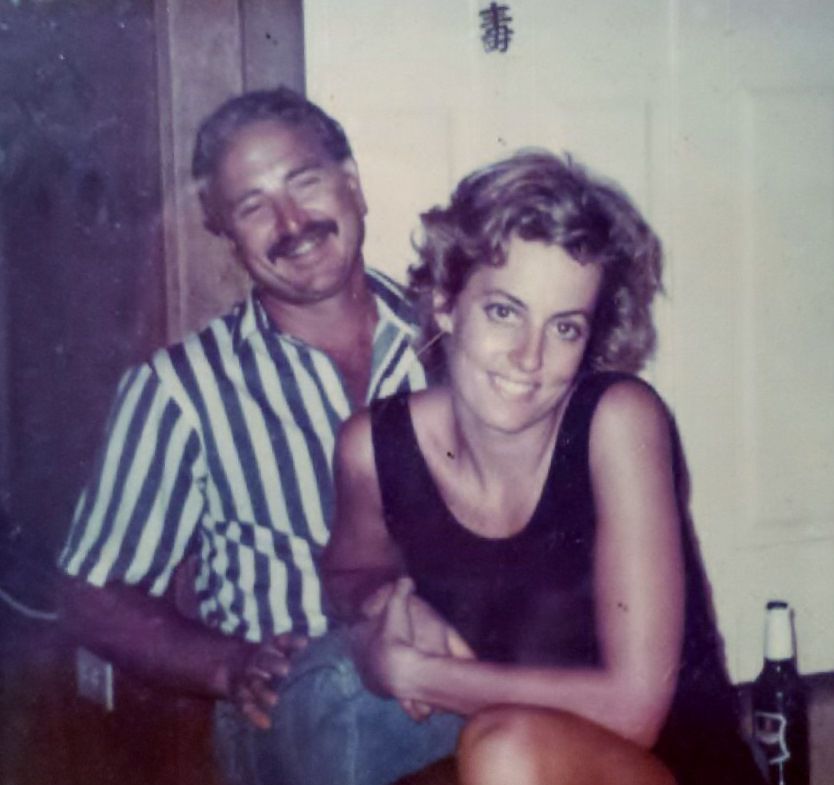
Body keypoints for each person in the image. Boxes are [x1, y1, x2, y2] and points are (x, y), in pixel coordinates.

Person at [312, 150, 767, 785]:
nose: (529, 357)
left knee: (504, 751)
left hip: (672, 767)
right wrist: (386, 603)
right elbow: (349, 568)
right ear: (444, 300)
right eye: (505, 311)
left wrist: (408, 670)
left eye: (565, 328)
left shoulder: (619, 423)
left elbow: (634, 710)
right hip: (515, 758)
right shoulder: (373, 446)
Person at [56, 86, 446, 782]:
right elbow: (93, 592)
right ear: (228, 235)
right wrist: (227, 663)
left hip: (454, 667)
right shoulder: (180, 388)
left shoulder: (454, 344)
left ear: (352, 185)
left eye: (304, 181)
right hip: (291, 703)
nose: (292, 221)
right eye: (252, 205)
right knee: (355, 694)